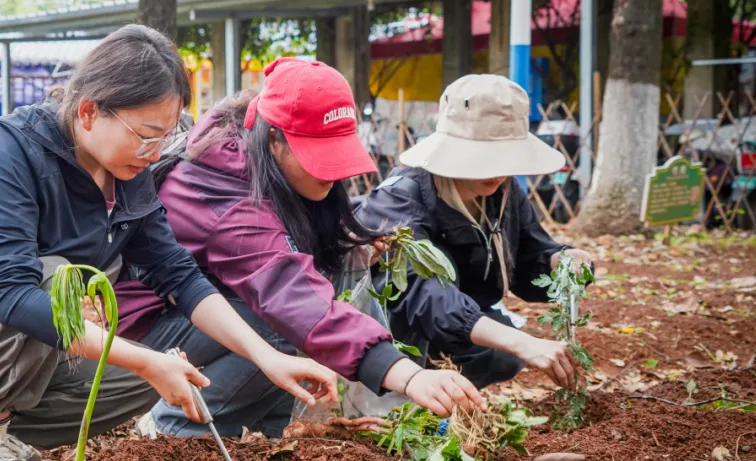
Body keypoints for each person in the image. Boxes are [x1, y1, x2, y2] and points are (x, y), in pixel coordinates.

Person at [0, 26, 338, 461]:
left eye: (165, 137)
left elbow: (179, 277)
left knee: (151, 375)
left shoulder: (128, 171)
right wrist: (145, 359)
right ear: (88, 112)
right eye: (146, 133)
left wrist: (267, 356)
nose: (154, 151)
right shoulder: (9, 150)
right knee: (57, 279)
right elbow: (14, 296)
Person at [115, 58, 486, 439]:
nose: (332, 173)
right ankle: (171, 428)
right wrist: (406, 375)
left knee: (284, 316)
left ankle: (268, 427)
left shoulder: (261, 160)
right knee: (278, 323)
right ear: (274, 139)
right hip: (154, 328)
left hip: (213, 314)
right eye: (319, 157)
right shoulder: (225, 198)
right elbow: (289, 294)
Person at [357, 74, 594, 391]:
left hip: (461, 321)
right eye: (485, 158)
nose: (497, 172)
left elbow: (527, 257)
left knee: (500, 355)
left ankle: (451, 396)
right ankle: (413, 393)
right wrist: (521, 342)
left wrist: (559, 262)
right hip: (400, 332)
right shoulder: (402, 198)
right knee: (502, 346)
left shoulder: (503, 194)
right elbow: (425, 296)